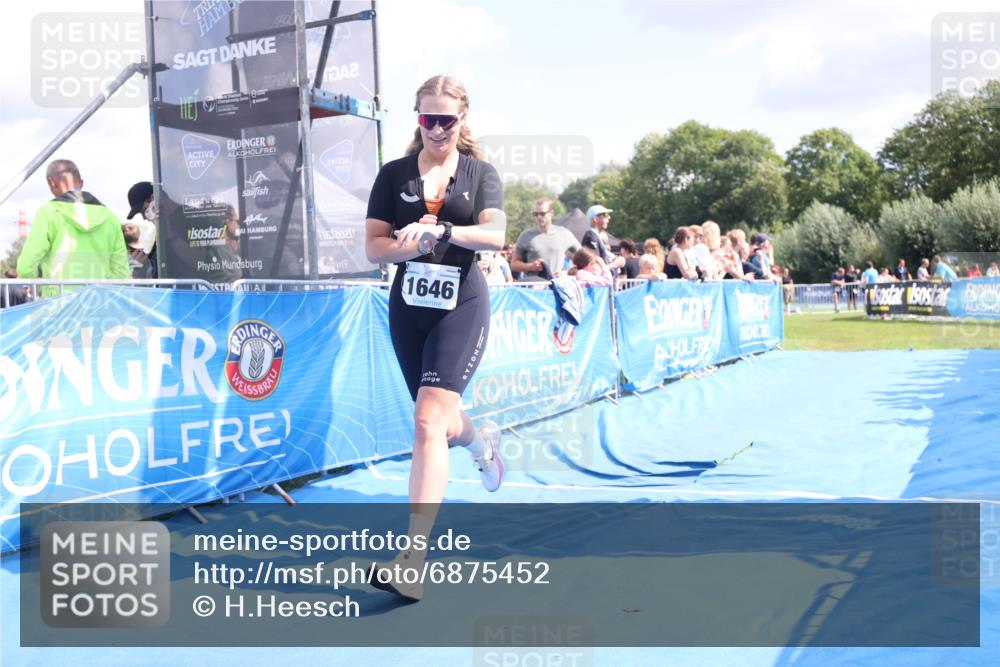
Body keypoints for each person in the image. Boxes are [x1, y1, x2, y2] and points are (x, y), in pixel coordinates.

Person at [364, 75, 506, 601]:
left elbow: (495, 235)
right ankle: (479, 439)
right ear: (417, 118)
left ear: (462, 119)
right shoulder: (393, 174)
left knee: (426, 418)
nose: (439, 128)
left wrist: (441, 232)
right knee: (439, 425)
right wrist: (407, 245)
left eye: (448, 119)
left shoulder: (479, 173)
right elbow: (374, 249)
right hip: (409, 307)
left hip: (462, 304)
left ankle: (412, 560)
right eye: (429, 118)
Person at [17, 160, 130, 294]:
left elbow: (25, 267)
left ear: (52, 182)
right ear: (81, 183)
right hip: (99, 303)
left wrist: (41, 288)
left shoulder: (48, 213)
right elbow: (122, 273)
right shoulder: (110, 217)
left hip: (59, 304)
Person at [512, 197, 578, 280]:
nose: (539, 217)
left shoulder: (564, 233)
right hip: (533, 288)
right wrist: (531, 266)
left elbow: (584, 259)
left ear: (551, 213)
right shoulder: (526, 235)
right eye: (536, 214)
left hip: (556, 287)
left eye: (542, 214)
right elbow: (514, 264)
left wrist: (567, 273)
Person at [581, 205, 625, 275]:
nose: (609, 217)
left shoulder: (595, 236)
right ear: (595, 219)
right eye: (605, 215)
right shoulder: (591, 237)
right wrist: (615, 264)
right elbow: (595, 269)